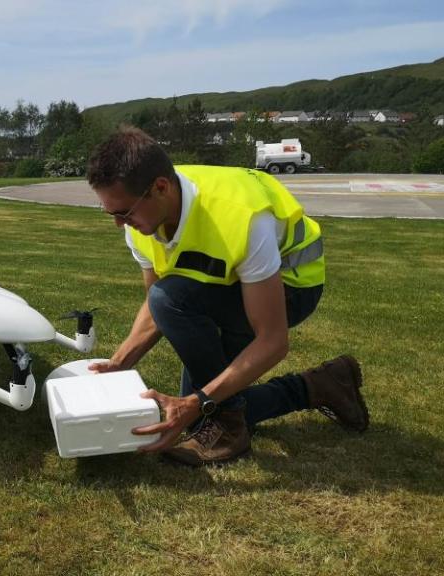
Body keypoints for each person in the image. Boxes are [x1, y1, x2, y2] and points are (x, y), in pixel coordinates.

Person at [86, 127, 369, 466]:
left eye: (124, 213)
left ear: (160, 188)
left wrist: (197, 402)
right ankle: (321, 385)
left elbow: (273, 341)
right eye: (110, 214)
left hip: (293, 286)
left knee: (208, 404)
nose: (119, 224)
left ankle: (230, 427)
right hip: (229, 285)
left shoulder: (243, 218)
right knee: (209, 404)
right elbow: (157, 307)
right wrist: (120, 364)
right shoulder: (143, 221)